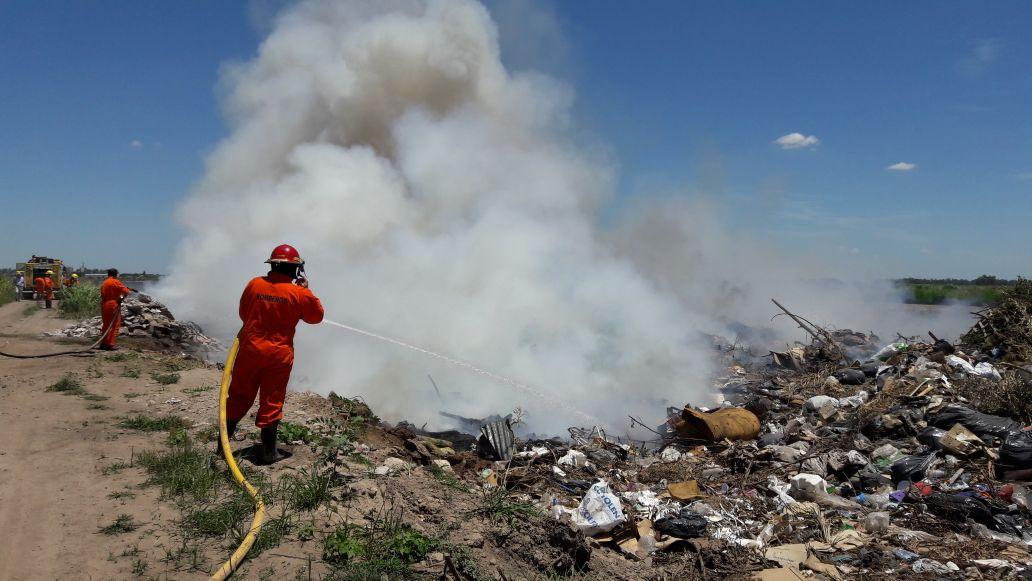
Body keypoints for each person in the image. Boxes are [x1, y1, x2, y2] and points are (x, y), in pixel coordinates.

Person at [224, 244, 323, 464]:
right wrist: (306, 290)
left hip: (250, 349)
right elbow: (316, 317)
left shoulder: (254, 284)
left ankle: (223, 445)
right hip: (278, 354)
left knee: (238, 395)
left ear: (273, 265)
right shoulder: (298, 293)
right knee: (272, 400)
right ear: (296, 269)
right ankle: (269, 453)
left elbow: (243, 312)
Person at [99, 268, 131, 351]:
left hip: (104, 305)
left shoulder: (104, 283)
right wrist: (126, 290)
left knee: (106, 324)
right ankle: (110, 344)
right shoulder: (115, 282)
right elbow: (127, 292)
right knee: (114, 325)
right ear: (115, 274)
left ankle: (104, 344)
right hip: (113, 305)